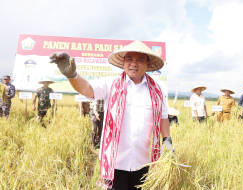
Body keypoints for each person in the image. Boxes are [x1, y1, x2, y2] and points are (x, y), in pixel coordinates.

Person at [49, 40, 172, 190]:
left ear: (148, 64)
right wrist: (72, 75)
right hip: (114, 162)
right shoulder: (110, 83)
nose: (134, 64)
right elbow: (87, 89)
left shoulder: (157, 89)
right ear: (123, 62)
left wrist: (167, 142)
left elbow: (163, 117)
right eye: (129, 59)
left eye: (140, 60)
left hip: (144, 162)